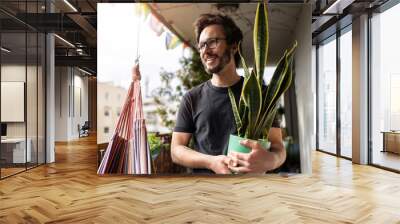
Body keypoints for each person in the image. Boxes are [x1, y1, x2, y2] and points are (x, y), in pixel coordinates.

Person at [133, 14, 286, 174]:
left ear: (234, 46)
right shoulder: (192, 98)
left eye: (212, 42)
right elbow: (176, 150)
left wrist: (271, 160)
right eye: (201, 45)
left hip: (250, 189)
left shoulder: (260, 95)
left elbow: (278, 147)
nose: (205, 50)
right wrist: (211, 162)